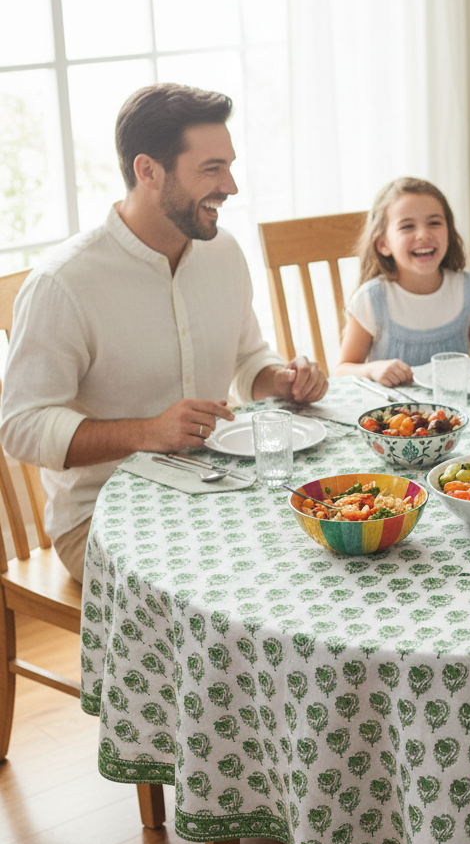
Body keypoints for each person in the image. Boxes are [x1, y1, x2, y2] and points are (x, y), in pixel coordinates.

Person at [0, 83, 328, 583]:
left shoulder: (224, 254)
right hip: (99, 521)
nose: (231, 186)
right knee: (244, 577)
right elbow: (19, 428)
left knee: (324, 538)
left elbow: (247, 360)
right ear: (148, 171)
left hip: (216, 490)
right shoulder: (64, 283)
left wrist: (282, 379)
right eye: (211, 169)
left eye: (230, 165)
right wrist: (147, 432)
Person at [335, 177, 470, 386]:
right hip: (394, 416)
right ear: (383, 244)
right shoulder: (372, 299)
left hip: (456, 416)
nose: (423, 234)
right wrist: (372, 369)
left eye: (434, 223)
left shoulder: (468, 290)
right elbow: (343, 369)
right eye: (407, 226)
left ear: (449, 232)